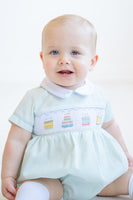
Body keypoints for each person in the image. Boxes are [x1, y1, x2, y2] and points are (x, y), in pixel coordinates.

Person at [1, 14, 133, 200]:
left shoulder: (98, 95)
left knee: (122, 178)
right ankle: (32, 194)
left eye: (75, 53)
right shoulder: (35, 98)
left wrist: (125, 155)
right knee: (34, 187)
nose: (64, 59)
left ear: (92, 61)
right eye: (54, 52)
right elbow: (16, 140)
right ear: (42, 57)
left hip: (96, 174)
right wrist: (7, 175)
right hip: (51, 176)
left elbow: (111, 127)